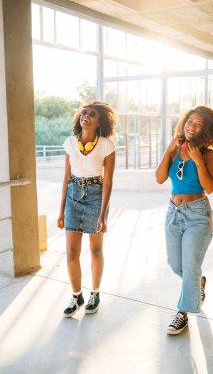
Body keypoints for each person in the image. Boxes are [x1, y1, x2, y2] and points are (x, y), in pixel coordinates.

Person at [155, 106, 213, 335]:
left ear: (207, 130)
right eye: (190, 121)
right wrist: (168, 151)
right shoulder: (175, 149)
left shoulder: (208, 155)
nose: (191, 127)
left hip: (198, 214)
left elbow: (210, 187)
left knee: (190, 265)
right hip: (173, 212)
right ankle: (198, 281)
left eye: (198, 124)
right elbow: (158, 179)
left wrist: (197, 161)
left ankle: (182, 314)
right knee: (176, 264)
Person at [57, 101, 116, 317]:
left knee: (95, 249)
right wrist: (61, 211)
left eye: (92, 114)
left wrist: (103, 213)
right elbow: (65, 178)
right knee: (71, 251)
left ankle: (95, 293)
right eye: (84, 113)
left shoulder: (106, 146)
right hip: (73, 195)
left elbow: (108, 182)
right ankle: (76, 296)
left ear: (99, 122)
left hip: (95, 196)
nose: (86, 116)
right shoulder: (70, 143)